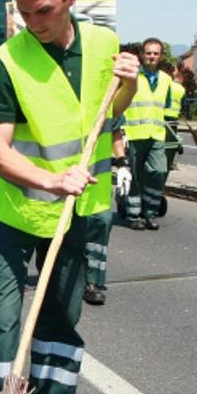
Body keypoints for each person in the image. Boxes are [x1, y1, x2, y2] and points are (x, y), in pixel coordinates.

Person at [0, 0, 138, 394]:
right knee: (2, 318)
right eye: (24, 14)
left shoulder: (105, 43)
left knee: (60, 319)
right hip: (16, 211)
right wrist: (51, 182)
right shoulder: (6, 62)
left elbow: (108, 114)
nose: (34, 24)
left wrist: (128, 86)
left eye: (43, 11)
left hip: (78, 213)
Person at [121, 38, 172, 229]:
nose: (152, 57)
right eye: (149, 53)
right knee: (134, 176)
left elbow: (165, 106)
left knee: (159, 171)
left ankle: (150, 212)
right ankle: (134, 216)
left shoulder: (166, 80)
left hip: (156, 135)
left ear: (160, 56)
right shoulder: (132, 76)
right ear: (142, 55)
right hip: (134, 134)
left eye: (155, 53)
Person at [82, 124, 132, 306]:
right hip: (64, 177)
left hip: (97, 182)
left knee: (101, 222)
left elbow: (115, 128)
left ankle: (93, 282)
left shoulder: (107, 96)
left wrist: (122, 162)